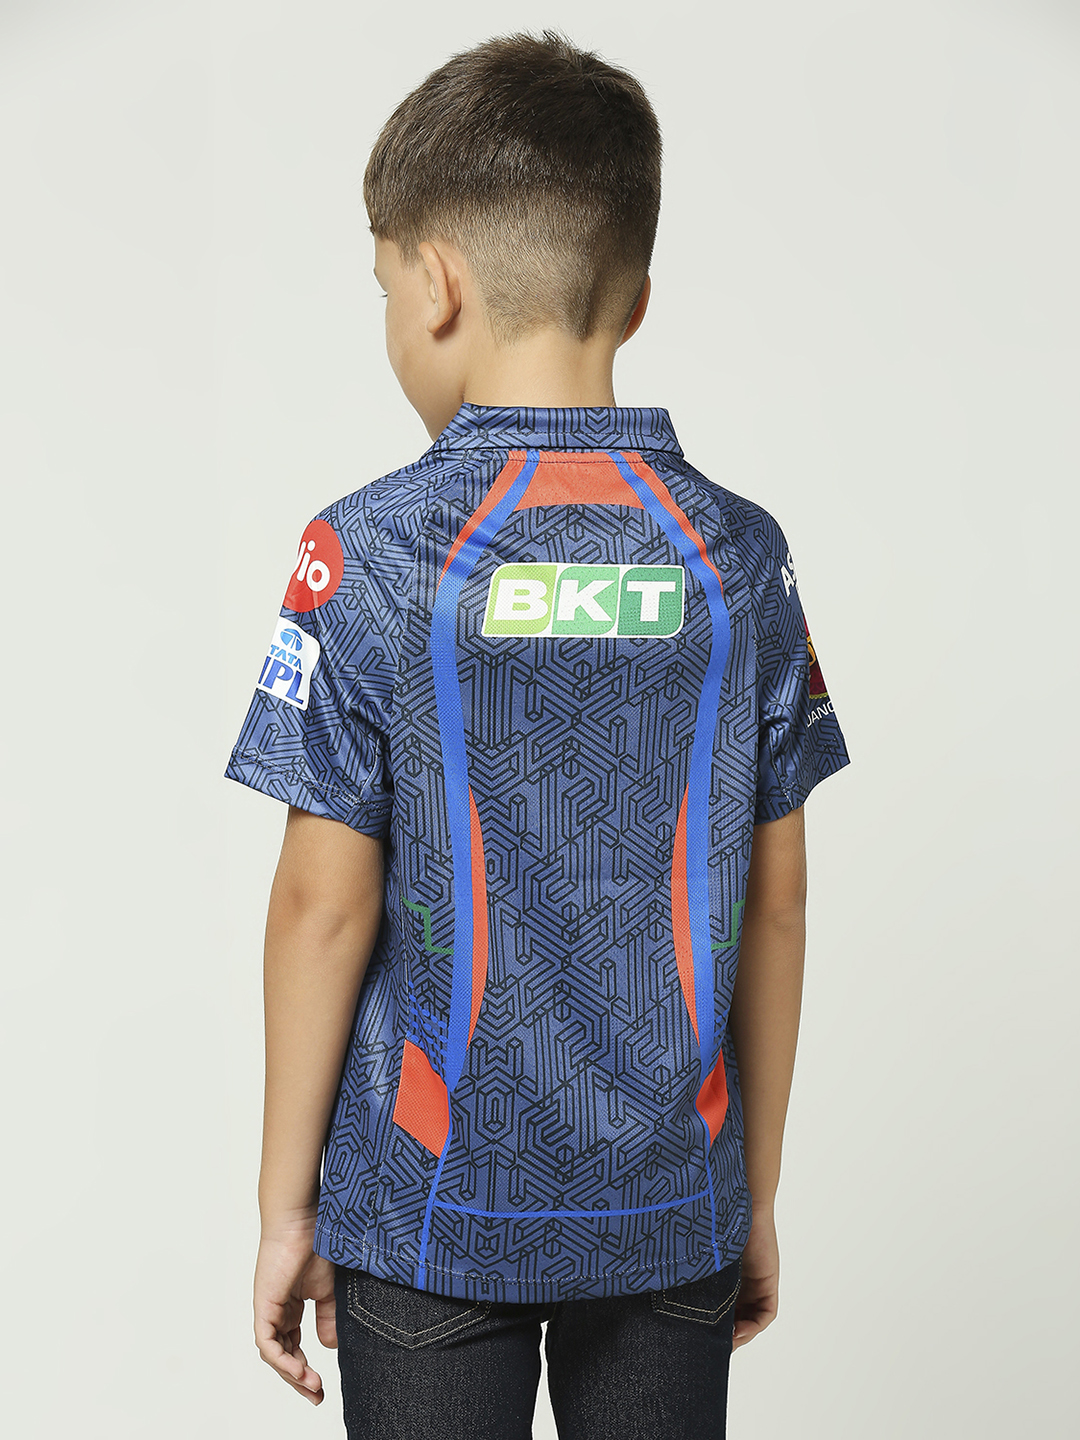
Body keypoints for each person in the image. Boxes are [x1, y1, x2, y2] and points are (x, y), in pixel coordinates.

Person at [223, 28, 852, 1440]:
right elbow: (778, 902)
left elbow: (323, 908)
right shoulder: (740, 558)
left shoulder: (369, 555)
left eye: (383, 289)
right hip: (674, 1206)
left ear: (434, 284)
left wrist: (284, 1208)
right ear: (635, 296)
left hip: (425, 1206)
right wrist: (751, 1193)